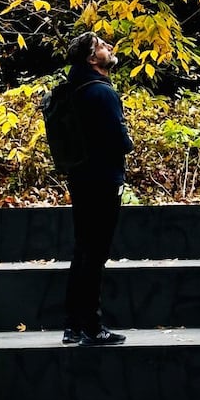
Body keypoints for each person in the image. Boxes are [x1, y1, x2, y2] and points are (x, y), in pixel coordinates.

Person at [62, 31, 134, 346]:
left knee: (83, 251)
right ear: (93, 59)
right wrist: (127, 141)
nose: (108, 47)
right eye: (101, 46)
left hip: (80, 179)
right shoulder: (102, 92)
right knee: (96, 254)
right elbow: (120, 141)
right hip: (103, 181)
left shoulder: (74, 88)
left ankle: (73, 326)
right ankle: (93, 327)